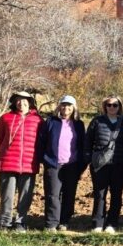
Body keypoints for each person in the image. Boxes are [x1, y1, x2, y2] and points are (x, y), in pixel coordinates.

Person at [85, 96, 123, 233]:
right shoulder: (96, 121)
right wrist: (89, 159)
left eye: (115, 105)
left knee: (116, 194)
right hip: (100, 165)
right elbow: (87, 141)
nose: (112, 107)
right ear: (105, 106)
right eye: (109, 105)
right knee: (99, 194)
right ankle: (97, 222)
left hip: (119, 164)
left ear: (120, 107)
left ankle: (112, 223)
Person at [0, 91, 44, 232]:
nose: (21, 104)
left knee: (25, 196)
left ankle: (20, 222)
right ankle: (5, 222)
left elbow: (41, 141)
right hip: (8, 162)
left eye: (24, 101)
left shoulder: (38, 120)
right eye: (18, 101)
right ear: (14, 102)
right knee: (7, 195)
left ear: (30, 102)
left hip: (29, 163)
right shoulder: (6, 118)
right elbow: (0, 138)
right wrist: (7, 152)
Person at [39, 95, 87, 232]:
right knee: (52, 194)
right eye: (64, 105)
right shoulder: (50, 122)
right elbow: (42, 141)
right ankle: (51, 223)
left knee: (69, 193)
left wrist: (82, 166)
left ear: (74, 108)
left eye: (69, 106)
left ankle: (64, 221)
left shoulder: (79, 124)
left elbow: (82, 145)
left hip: (72, 165)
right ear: (59, 107)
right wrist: (44, 159)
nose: (66, 108)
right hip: (54, 164)